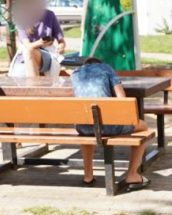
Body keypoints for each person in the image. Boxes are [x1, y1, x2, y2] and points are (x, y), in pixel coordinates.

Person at [70, 57, 150, 191]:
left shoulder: (76, 74)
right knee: (143, 127)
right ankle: (132, 175)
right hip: (109, 127)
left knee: (86, 127)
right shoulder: (107, 69)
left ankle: (88, 175)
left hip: (83, 127)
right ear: (100, 64)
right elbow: (122, 99)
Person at [10, 0, 65, 78]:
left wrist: (61, 46)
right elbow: (28, 45)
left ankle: (34, 87)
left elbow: (61, 41)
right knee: (28, 52)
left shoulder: (50, 15)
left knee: (29, 52)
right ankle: (34, 86)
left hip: (45, 53)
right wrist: (40, 42)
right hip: (25, 55)